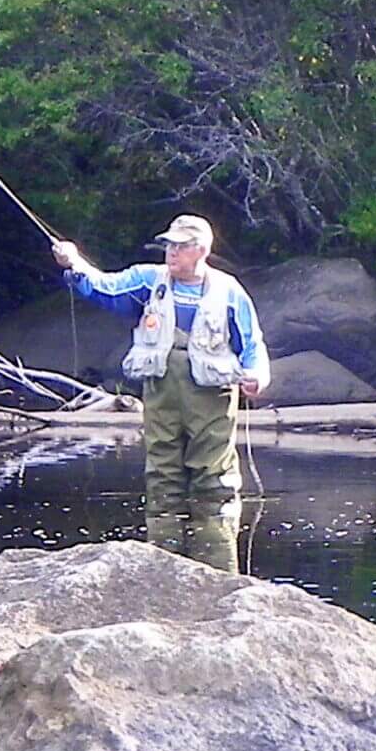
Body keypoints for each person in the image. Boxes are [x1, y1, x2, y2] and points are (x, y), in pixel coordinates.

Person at [51, 215, 269, 573]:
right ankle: (164, 565)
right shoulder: (147, 280)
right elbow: (103, 287)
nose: (172, 252)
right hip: (161, 393)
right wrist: (74, 264)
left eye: (181, 246)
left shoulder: (229, 291)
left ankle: (217, 571)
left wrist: (258, 376)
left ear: (201, 250)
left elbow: (251, 343)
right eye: (169, 245)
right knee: (163, 474)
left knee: (213, 479)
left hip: (211, 398)